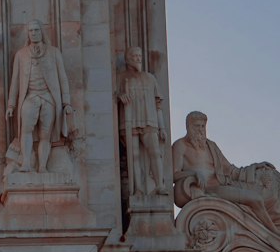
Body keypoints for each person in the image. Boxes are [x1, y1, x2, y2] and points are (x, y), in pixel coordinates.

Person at [172, 110, 280, 232]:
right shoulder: (180, 146)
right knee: (255, 199)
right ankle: (273, 235)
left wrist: (256, 167)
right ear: (189, 127)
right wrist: (193, 173)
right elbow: (174, 175)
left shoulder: (211, 146)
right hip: (207, 189)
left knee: (267, 192)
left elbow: (230, 170)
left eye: (203, 126)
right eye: (197, 126)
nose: (201, 130)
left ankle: (272, 229)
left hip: (224, 184)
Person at [6, 20, 74, 173]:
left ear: (41, 32)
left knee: (46, 135)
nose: (34, 33)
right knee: (26, 129)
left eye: (36, 30)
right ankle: (26, 164)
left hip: (48, 99)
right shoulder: (21, 54)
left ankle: (42, 166)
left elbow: (63, 78)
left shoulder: (54, 52)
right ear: (28, 34)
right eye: (31, 31)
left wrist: (66, 102)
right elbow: (15, 81)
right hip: (30, 97)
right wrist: (11, 105)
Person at [118, 46, 167, 196]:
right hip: (129, 120)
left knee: (155, 152)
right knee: (134, 156)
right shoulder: (122, 78)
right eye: (134, 55)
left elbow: (158, 104)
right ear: (127, 59)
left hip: (149, 120)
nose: (138, 58)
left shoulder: (150, 78)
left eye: (140, 55)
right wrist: (120, 96)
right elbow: (115, 94)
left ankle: (159, 185)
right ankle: (137, 188)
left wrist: (162, 127)